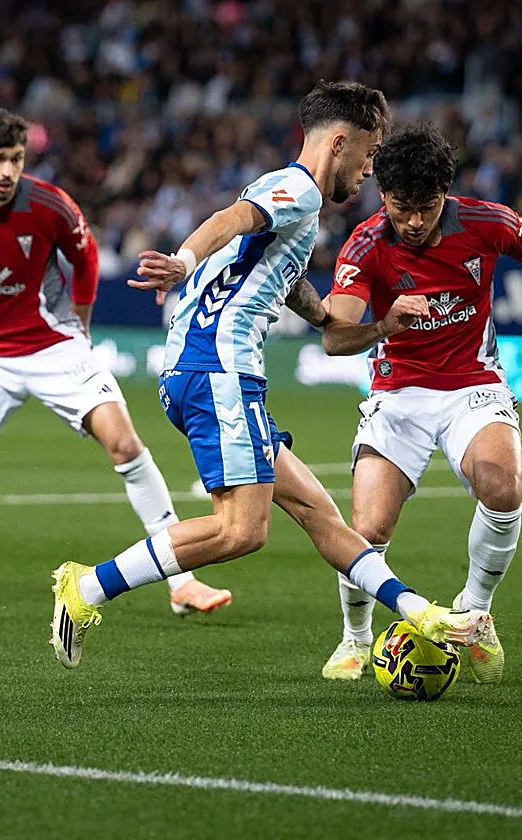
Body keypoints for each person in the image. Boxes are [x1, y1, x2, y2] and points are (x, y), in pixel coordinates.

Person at [49, 81, 495, 670]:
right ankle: (85, 589)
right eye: (368, 154)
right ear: (340, 143)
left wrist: (341, 319)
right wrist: (182, 260)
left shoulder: (291, 201)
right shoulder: (300, 189)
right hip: (219, 368)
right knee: (242, 530)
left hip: (210, 369)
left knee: (319, 513)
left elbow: (286, 279)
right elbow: (231, 219)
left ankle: (420, 611)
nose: (369, 170)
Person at [319, 123, 522, 684]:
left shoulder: (487, 221)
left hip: (473, 385)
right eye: (402, 208)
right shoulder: (365, 244)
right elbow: (335, 339)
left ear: (445, 194)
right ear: (383, 195)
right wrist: (383, 325)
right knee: (368, 528)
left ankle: (475, 612)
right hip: (398, 394)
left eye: (426, 208)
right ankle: (355, 637)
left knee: (503, 488)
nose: (414, 221)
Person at [0, 109, 232, 626]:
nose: (8, 171)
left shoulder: (49, 204)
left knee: (125, 444)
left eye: (16, 159)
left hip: (54, 347)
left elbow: (86, 260)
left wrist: (79, 327)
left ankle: (182, 582)